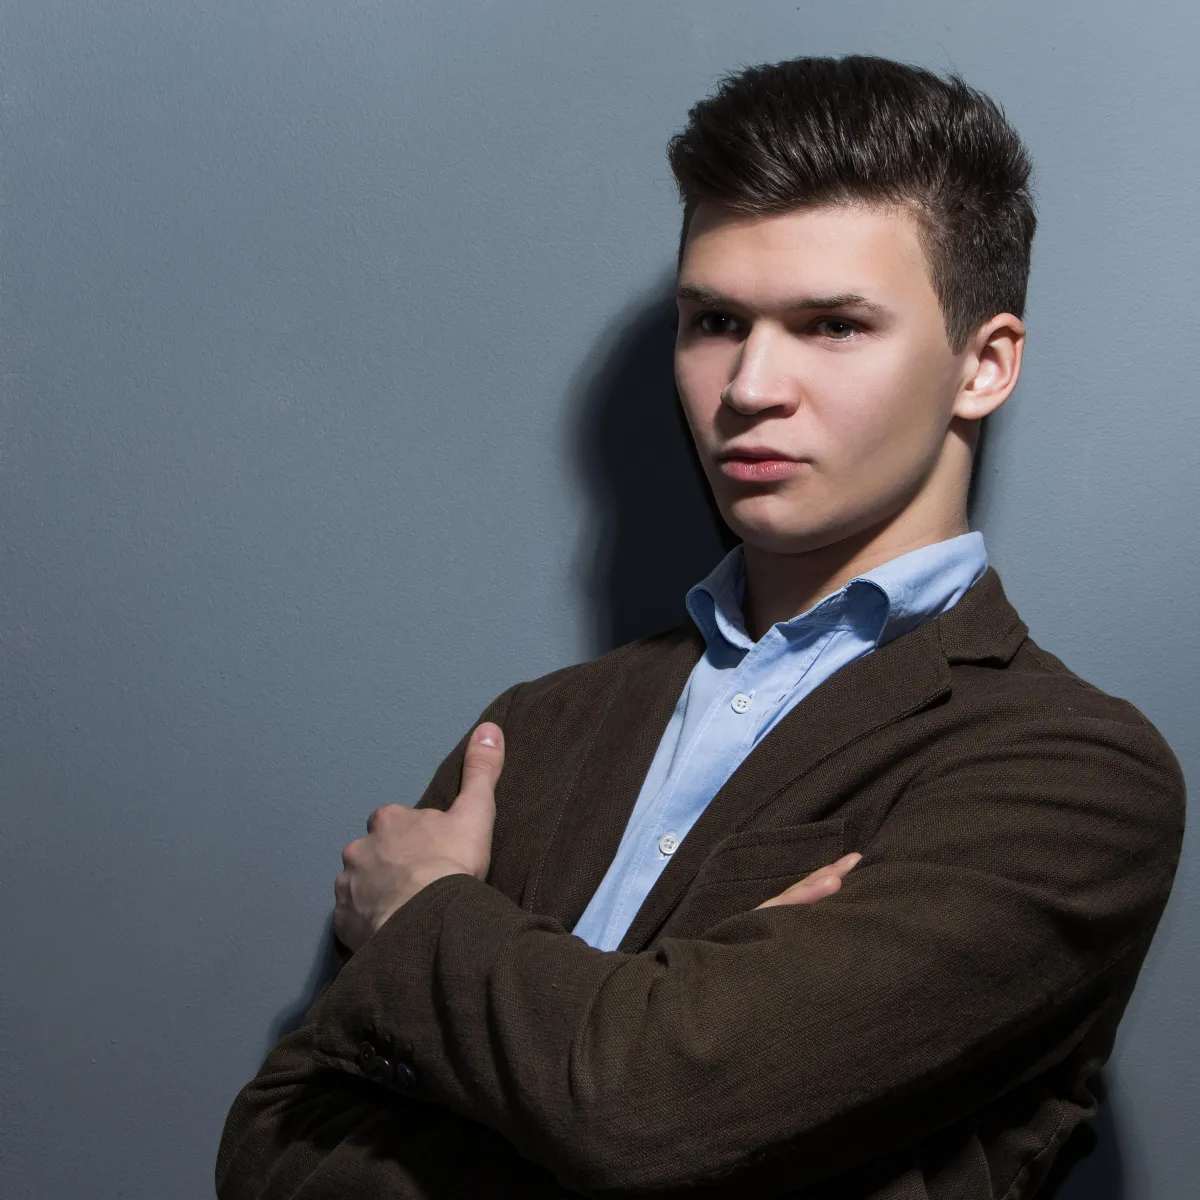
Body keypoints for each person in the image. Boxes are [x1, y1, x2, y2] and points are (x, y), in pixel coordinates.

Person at [216, 55, 1185, 1199]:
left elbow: (644, 1110)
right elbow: (274, 1146)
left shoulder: (1069, 772)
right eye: (716, 320)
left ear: (984, 365)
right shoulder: (532, 732)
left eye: (832, 325)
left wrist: (425, 913)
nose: (750, 385)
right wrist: (623, 1046)